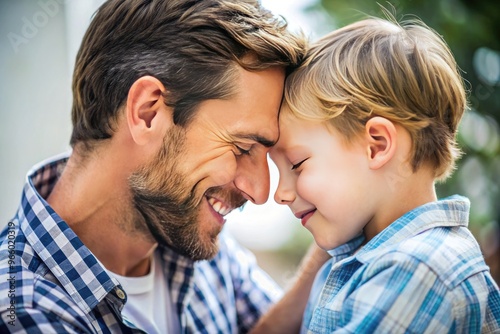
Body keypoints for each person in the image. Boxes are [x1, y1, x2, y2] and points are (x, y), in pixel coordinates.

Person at [0, 0, 330, 333]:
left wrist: (341, 225)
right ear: (148, 113)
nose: (260, 193)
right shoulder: (21, 310)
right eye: (243, 147)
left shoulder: (194, 240)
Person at [269, 16, 500, 333]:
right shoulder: (365, 257)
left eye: (296, 164)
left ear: (377, 146)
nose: (279, 193)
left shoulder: (420, 270)